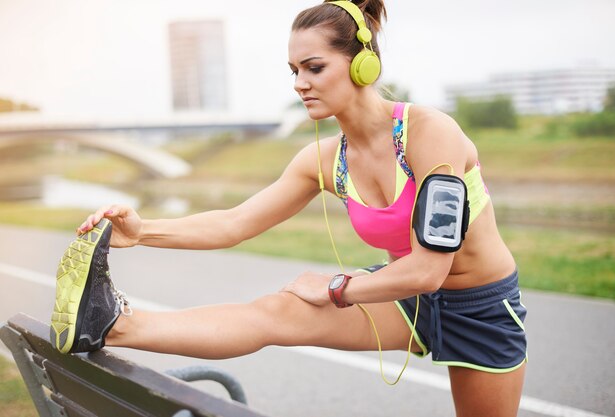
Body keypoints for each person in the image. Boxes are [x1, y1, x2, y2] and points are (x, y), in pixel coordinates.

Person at [50, 1, 527, 415]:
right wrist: (143, 231)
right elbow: (234, 223)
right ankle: (112, 324)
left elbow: (428, 271)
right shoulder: (323, 159)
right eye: (293, 71)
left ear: (362, 66)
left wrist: (337, 286)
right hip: (401, 296)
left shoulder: (429, 133)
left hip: (480, 307)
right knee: (276, 311)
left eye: (314, 68)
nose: (299, 83)